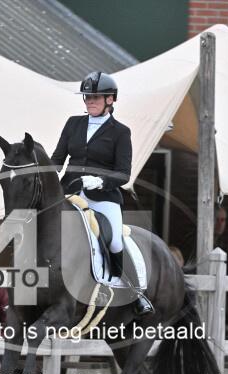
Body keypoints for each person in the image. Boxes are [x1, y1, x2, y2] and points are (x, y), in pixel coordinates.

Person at [51, 71, 153, 316]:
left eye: (95, 97)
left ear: (110, 99)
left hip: (103, 198)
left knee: (114, 239)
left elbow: (123, 174)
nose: (89, 101)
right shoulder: (73, 123)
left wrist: (100, 181)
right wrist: (43, 173)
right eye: (87, 97)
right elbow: (57, 158)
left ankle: (133, 291)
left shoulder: (120, 132)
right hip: (70, 192)